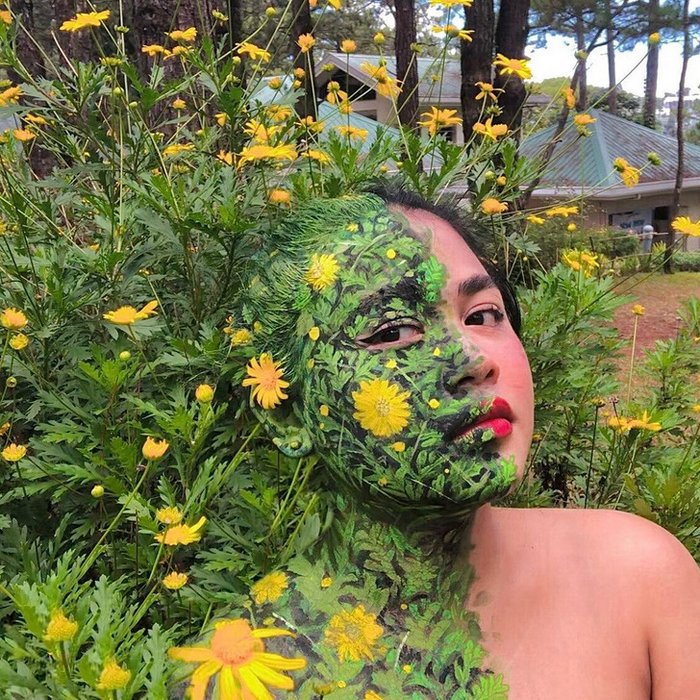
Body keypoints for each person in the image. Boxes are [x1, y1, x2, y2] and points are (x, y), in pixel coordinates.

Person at [170, 189, 700, 699]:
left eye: (484, 316)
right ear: (287, 415)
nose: (475, 360)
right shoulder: (240, 675)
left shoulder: (639, 577)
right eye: (393, 331)